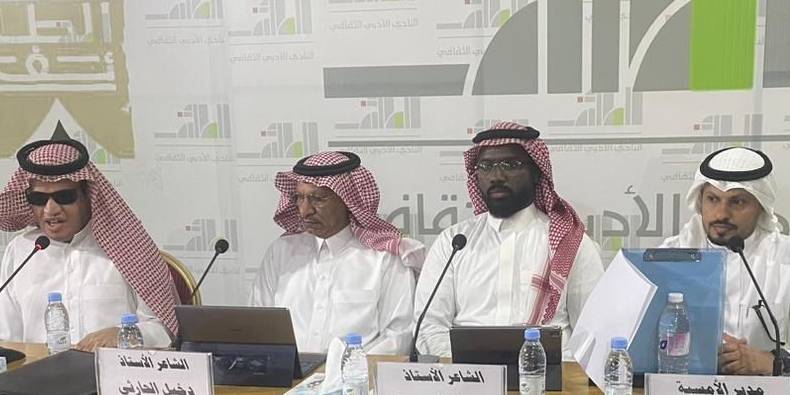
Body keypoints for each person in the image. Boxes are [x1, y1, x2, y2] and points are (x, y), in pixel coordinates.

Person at [662, 145, 790, 375]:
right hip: (684, 386)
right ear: (700, 202)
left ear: (761, 207)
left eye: (737, 202)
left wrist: (773, 361)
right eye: (713, 199)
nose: (721, 214)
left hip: (765, 389)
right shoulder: (670, 255)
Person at [414, 122, 604, 358]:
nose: (496, 176)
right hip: (466, 376)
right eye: (486, 166)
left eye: (510, 165)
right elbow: (429, 327)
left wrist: (545, 370)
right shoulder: (453, 242)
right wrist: (468, 370)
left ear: (536, 173)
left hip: (548, 375)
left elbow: (593, 333)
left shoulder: (570, 243)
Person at [0, 125, 177, 349]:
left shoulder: (128, 247)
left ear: (87, 197)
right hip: (40, 369)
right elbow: (5, 339)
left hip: (112, 369)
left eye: (64, 197)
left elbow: (165, 329)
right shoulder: (21, 251)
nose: (50, 210)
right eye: (39, 199)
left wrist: (125, 335)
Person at [251, 151, 423, 354]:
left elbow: (398, 337)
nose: (305, 211)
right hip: (287, 372)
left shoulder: (385, 258)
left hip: (359, 372)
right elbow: (258, 325)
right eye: (299, 198)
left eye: (317, 199)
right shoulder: (281, 252)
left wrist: (349, 369)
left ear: (348, 201)